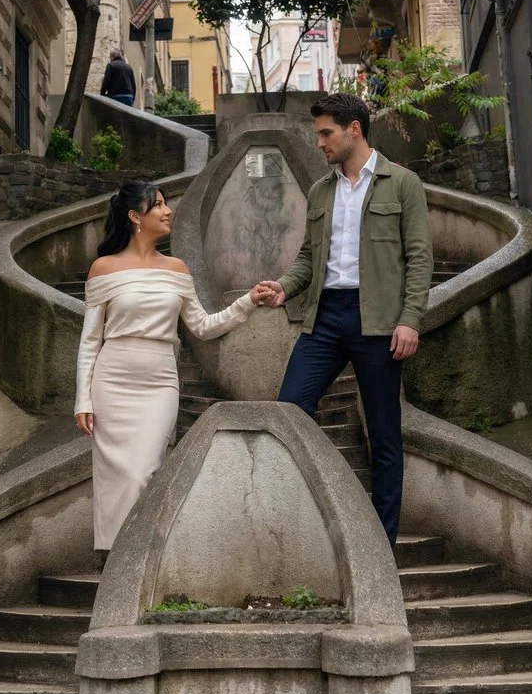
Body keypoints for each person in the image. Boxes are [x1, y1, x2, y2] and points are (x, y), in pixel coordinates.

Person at [261, 93, 433, 546]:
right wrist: (284, 287)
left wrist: (410, 319)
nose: (319, 142)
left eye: (325, 132)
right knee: (289, 410)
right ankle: (317, 521)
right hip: (326, 317)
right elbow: (307, 257)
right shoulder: (321, 190)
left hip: (379, 320)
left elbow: (419, 259)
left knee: (383, 436)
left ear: (354, 128)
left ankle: (380, 546)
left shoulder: (402, 184)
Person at [74, 180, 272, 556]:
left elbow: (202, 326)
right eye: (158, 205)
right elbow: (89, 341)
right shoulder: (103, 269)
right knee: (118, 476)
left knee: (145, 471)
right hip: (112, 381)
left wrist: (246, 302)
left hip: (160, 382)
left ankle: (139, 557)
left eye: (166, 204)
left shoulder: (177, 269)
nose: (168, 211)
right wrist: (82, 398)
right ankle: (115, 561)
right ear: (135, 216)